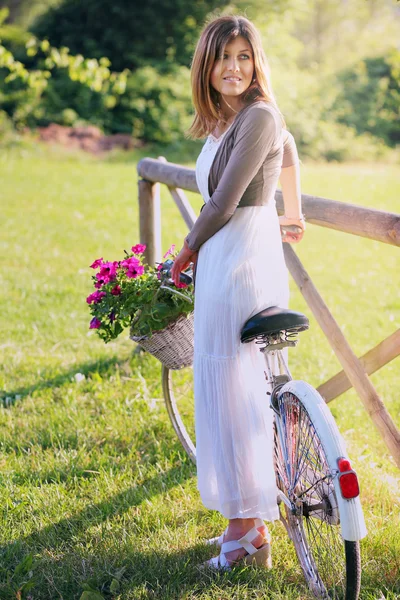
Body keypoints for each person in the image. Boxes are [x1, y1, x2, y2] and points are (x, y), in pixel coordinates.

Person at [170, 14, 305, 570]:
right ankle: (243, 526)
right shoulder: (227, 123)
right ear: (207, 65)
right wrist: (292, 209)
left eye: (244, 56)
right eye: (224, 57)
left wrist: (182, 253)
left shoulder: (258, 115)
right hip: (224, 261)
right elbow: (291, 149)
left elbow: (223, 204)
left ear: (256, 63)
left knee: (235, 395)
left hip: (240, 262)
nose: (234, 67)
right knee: (229, 392)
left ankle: (245, 535)